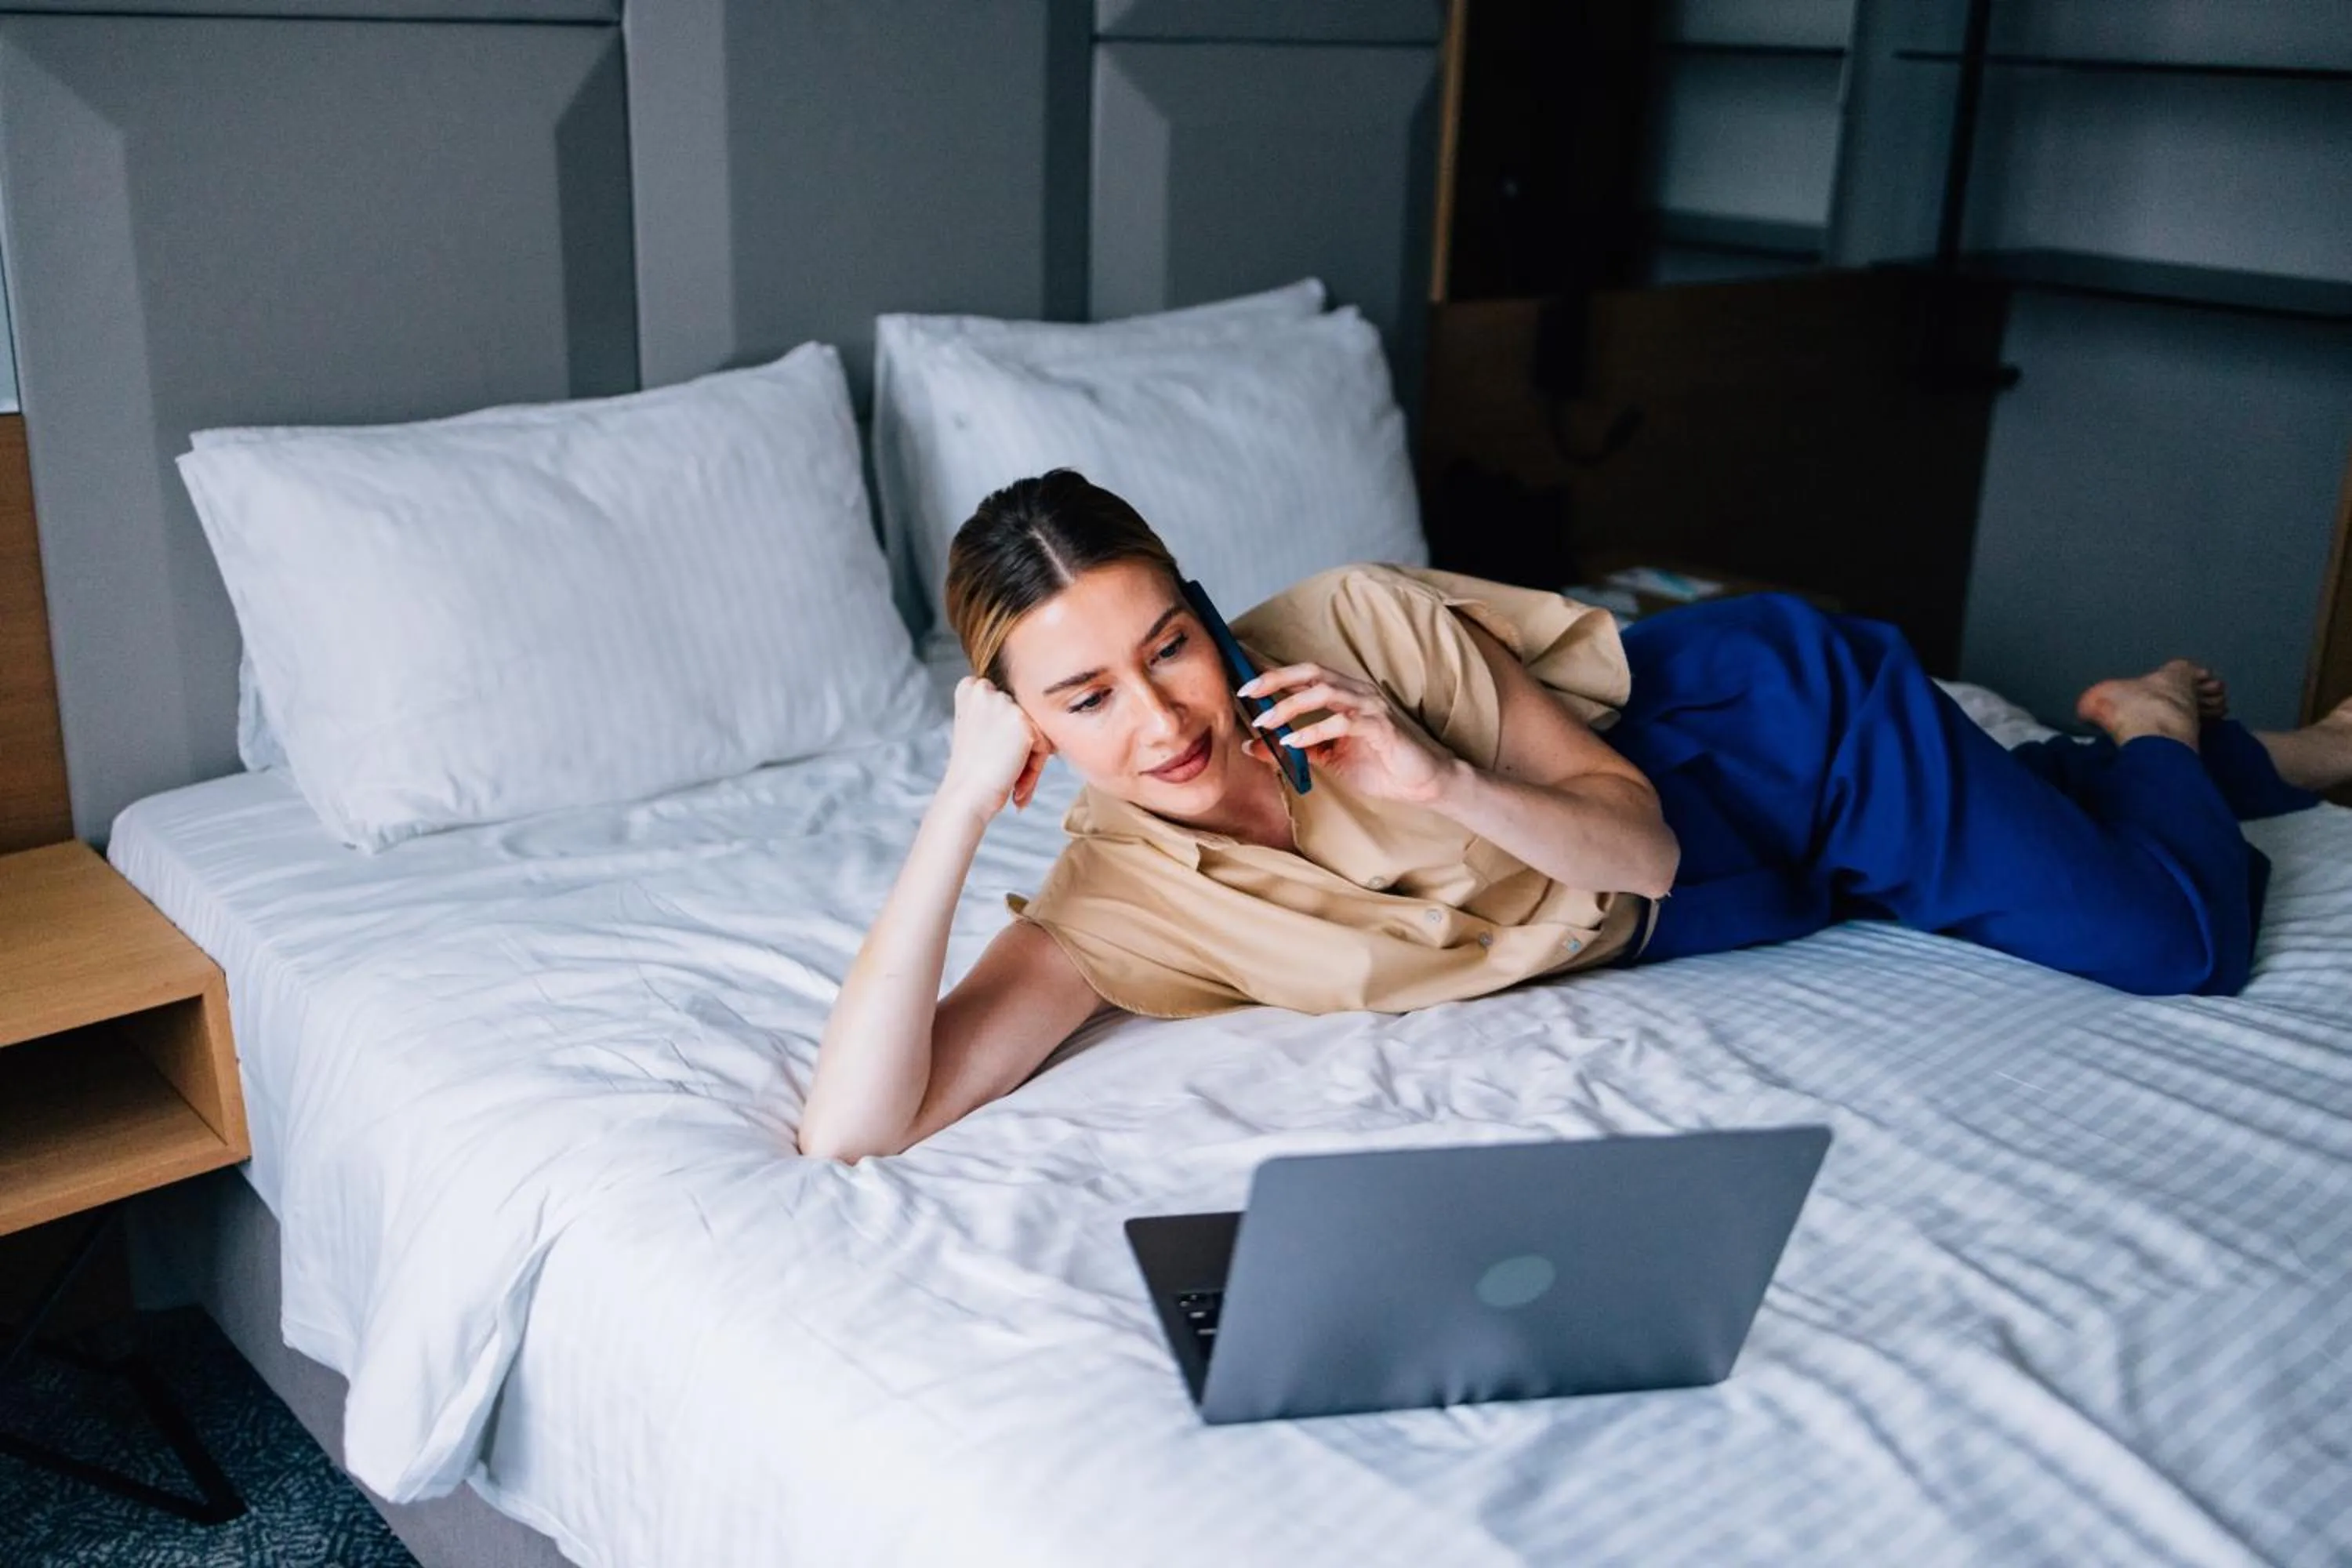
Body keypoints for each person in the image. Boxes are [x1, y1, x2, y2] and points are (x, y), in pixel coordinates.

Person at [797, 470, 2347, 1161]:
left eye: (1172, 648)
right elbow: (861, 1122)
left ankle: (2151, 725)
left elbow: (1647, 838)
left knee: (2171, 942)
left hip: (1764, 740)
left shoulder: (1353, 629)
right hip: (1700, 920)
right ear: (1023, 726)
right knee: (2026, 833)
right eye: (1082, 702)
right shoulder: (1124, 903)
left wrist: (1439, 779)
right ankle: (2243, 755)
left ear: (1206, 613)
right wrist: (955, 804)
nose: (1161, 720)